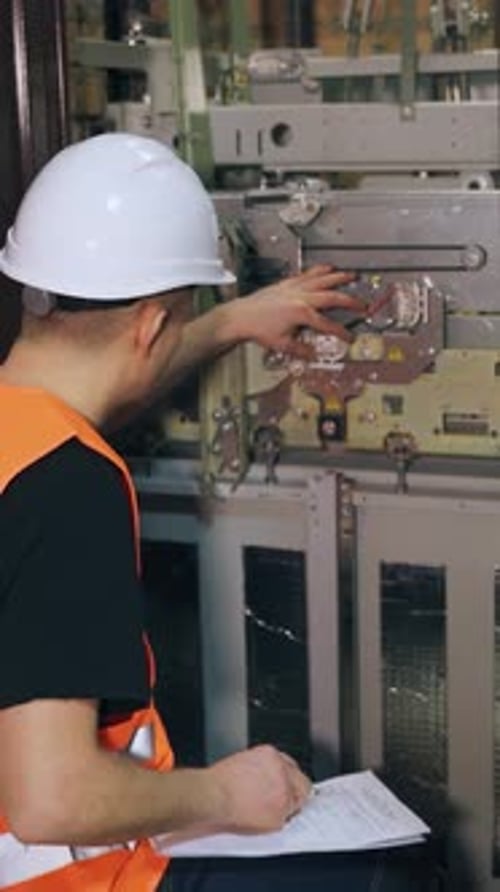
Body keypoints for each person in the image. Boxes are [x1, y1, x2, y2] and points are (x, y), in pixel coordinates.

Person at [0, 133, 430, 891]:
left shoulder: (18, 436)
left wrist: (231, 322)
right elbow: (54, 799)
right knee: (397, 874)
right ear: (151, 327)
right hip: (77, 876)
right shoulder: (66, 488)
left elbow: (115, 353)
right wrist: (229, 792)